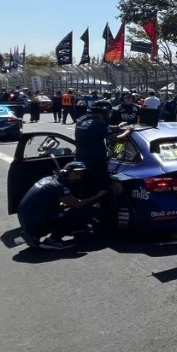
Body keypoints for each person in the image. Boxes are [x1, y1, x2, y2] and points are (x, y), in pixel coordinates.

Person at [17, 162, 107, 250]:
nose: (79, 177)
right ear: (66, 172)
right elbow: (78, 204)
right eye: (76, 174)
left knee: (66, 209)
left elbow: (50, 202)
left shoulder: (49, 179)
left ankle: (34, 234)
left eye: (81, 174)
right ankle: (53, 240)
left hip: (28, 219)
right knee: (81, 212)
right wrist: (99, 196)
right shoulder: (58, 186)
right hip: (34, 223)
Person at [75, 100, 132, 233]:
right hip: (96, 163)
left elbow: (102, 129)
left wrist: (117, 126)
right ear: (104, 112)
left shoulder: (82, 120)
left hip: (80, 161)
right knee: (104, 191)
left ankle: (82, 220)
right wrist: (127, 131)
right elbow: (115, 139)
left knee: (84, 191)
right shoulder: (98, 123)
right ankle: (105, 223)